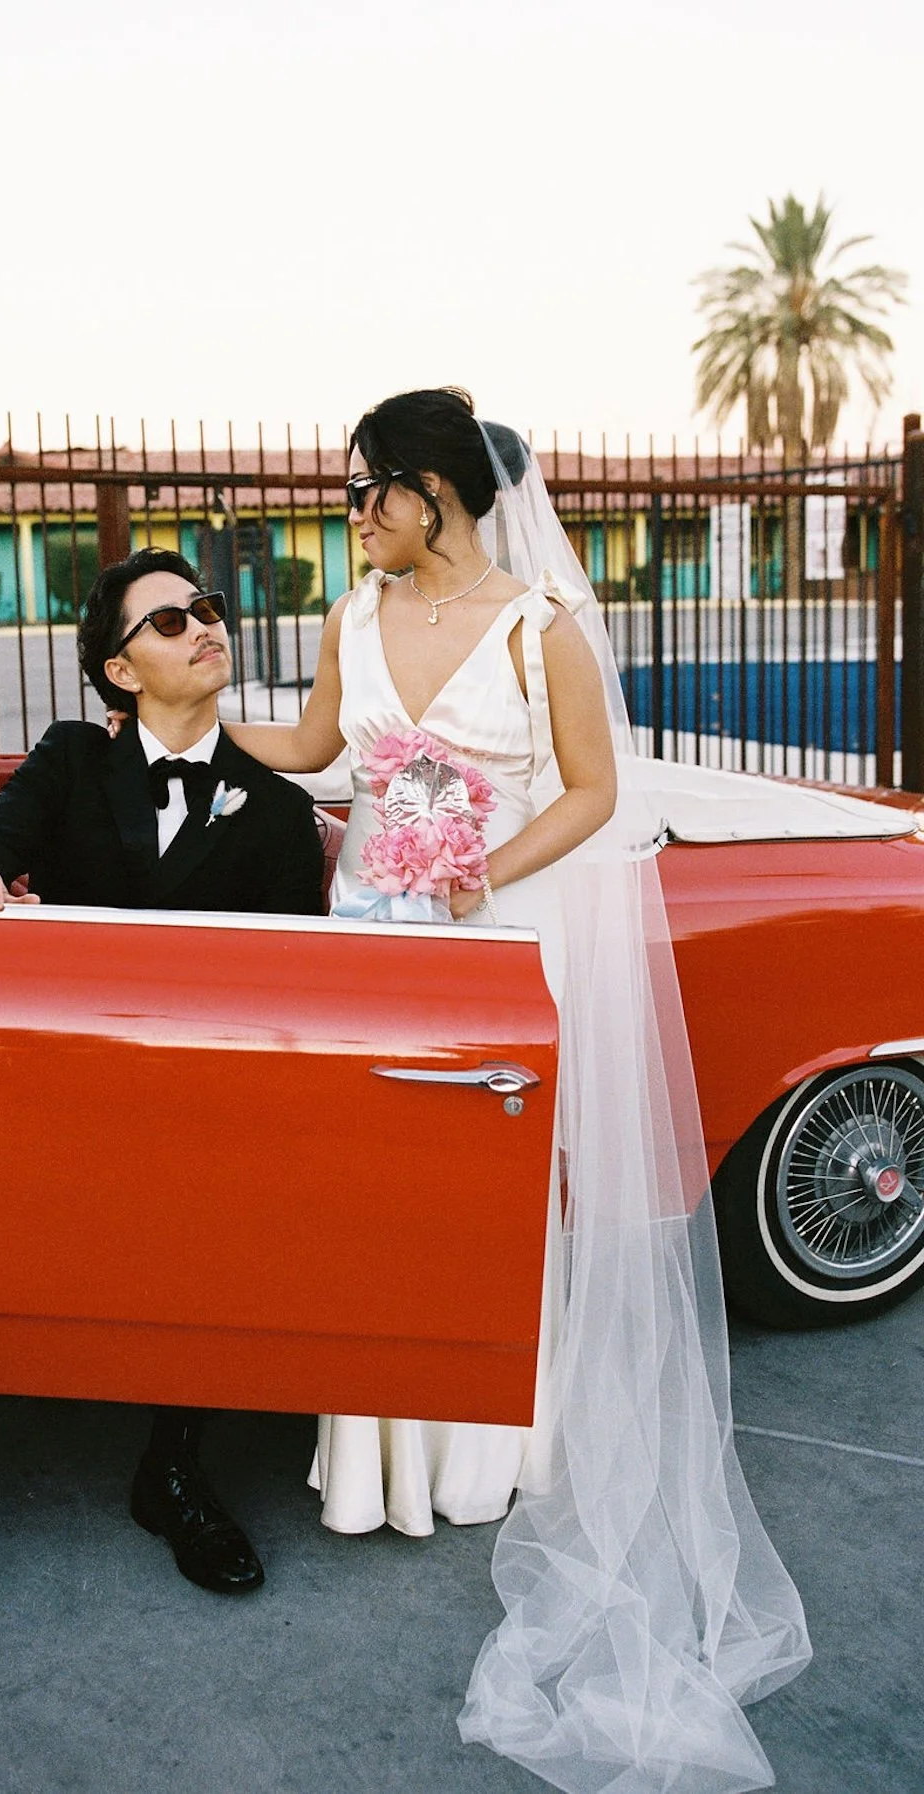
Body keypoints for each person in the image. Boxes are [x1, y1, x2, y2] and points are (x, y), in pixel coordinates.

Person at [223, 389, 812, 1794]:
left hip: (499, 926)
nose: (351, 515)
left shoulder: (541, 625)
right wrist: (183, 722)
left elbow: (594, 792)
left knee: (492, 1184)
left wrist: (483, 873)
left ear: (432, 491)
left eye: (365, 490)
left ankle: (493, 1446)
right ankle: (379, 1456)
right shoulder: (353, 616)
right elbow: (317, 752)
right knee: (380, 1190)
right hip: (374, 928)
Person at [0, 547, 325, 1678]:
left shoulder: (280, 810)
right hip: (52, 1096)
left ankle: (171, 1471)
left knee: (224, 1203)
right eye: (170, 619)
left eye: (208, 608)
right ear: (120, 670)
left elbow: (296, 991)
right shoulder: (70, 759)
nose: (205, 625)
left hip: (193, 1113)